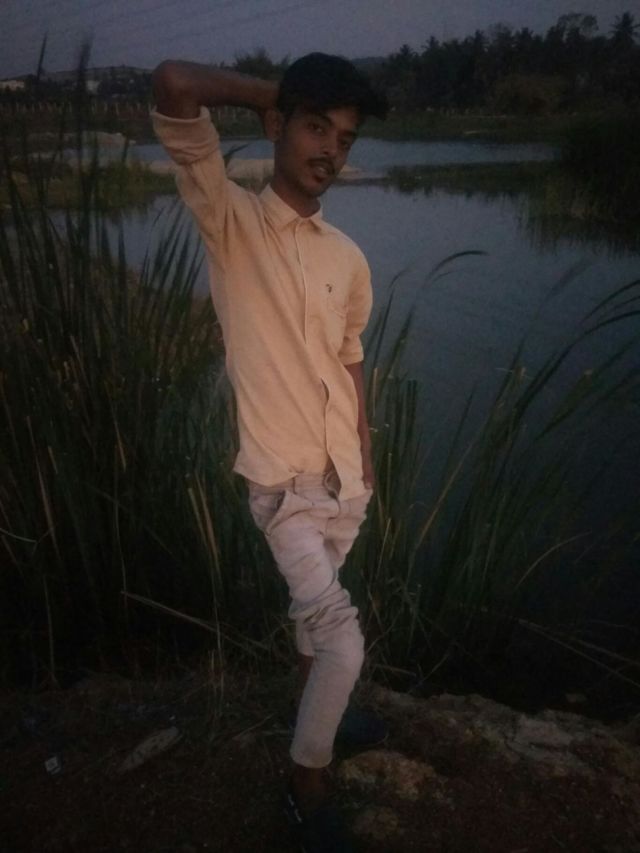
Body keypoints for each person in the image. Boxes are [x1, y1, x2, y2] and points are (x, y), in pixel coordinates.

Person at [151, 52, 388, 852]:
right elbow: (174, 84)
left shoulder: (348, 256)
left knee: (314, 624)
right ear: (282, 126)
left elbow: (350, 357)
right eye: (317, 127)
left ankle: (324, 704)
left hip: (343, 481)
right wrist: (270, 97)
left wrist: (364, 452)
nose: (331, 150)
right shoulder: (231, 224)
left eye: (345, 138)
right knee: (342, 635)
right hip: (282, 488)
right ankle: (304, 782)